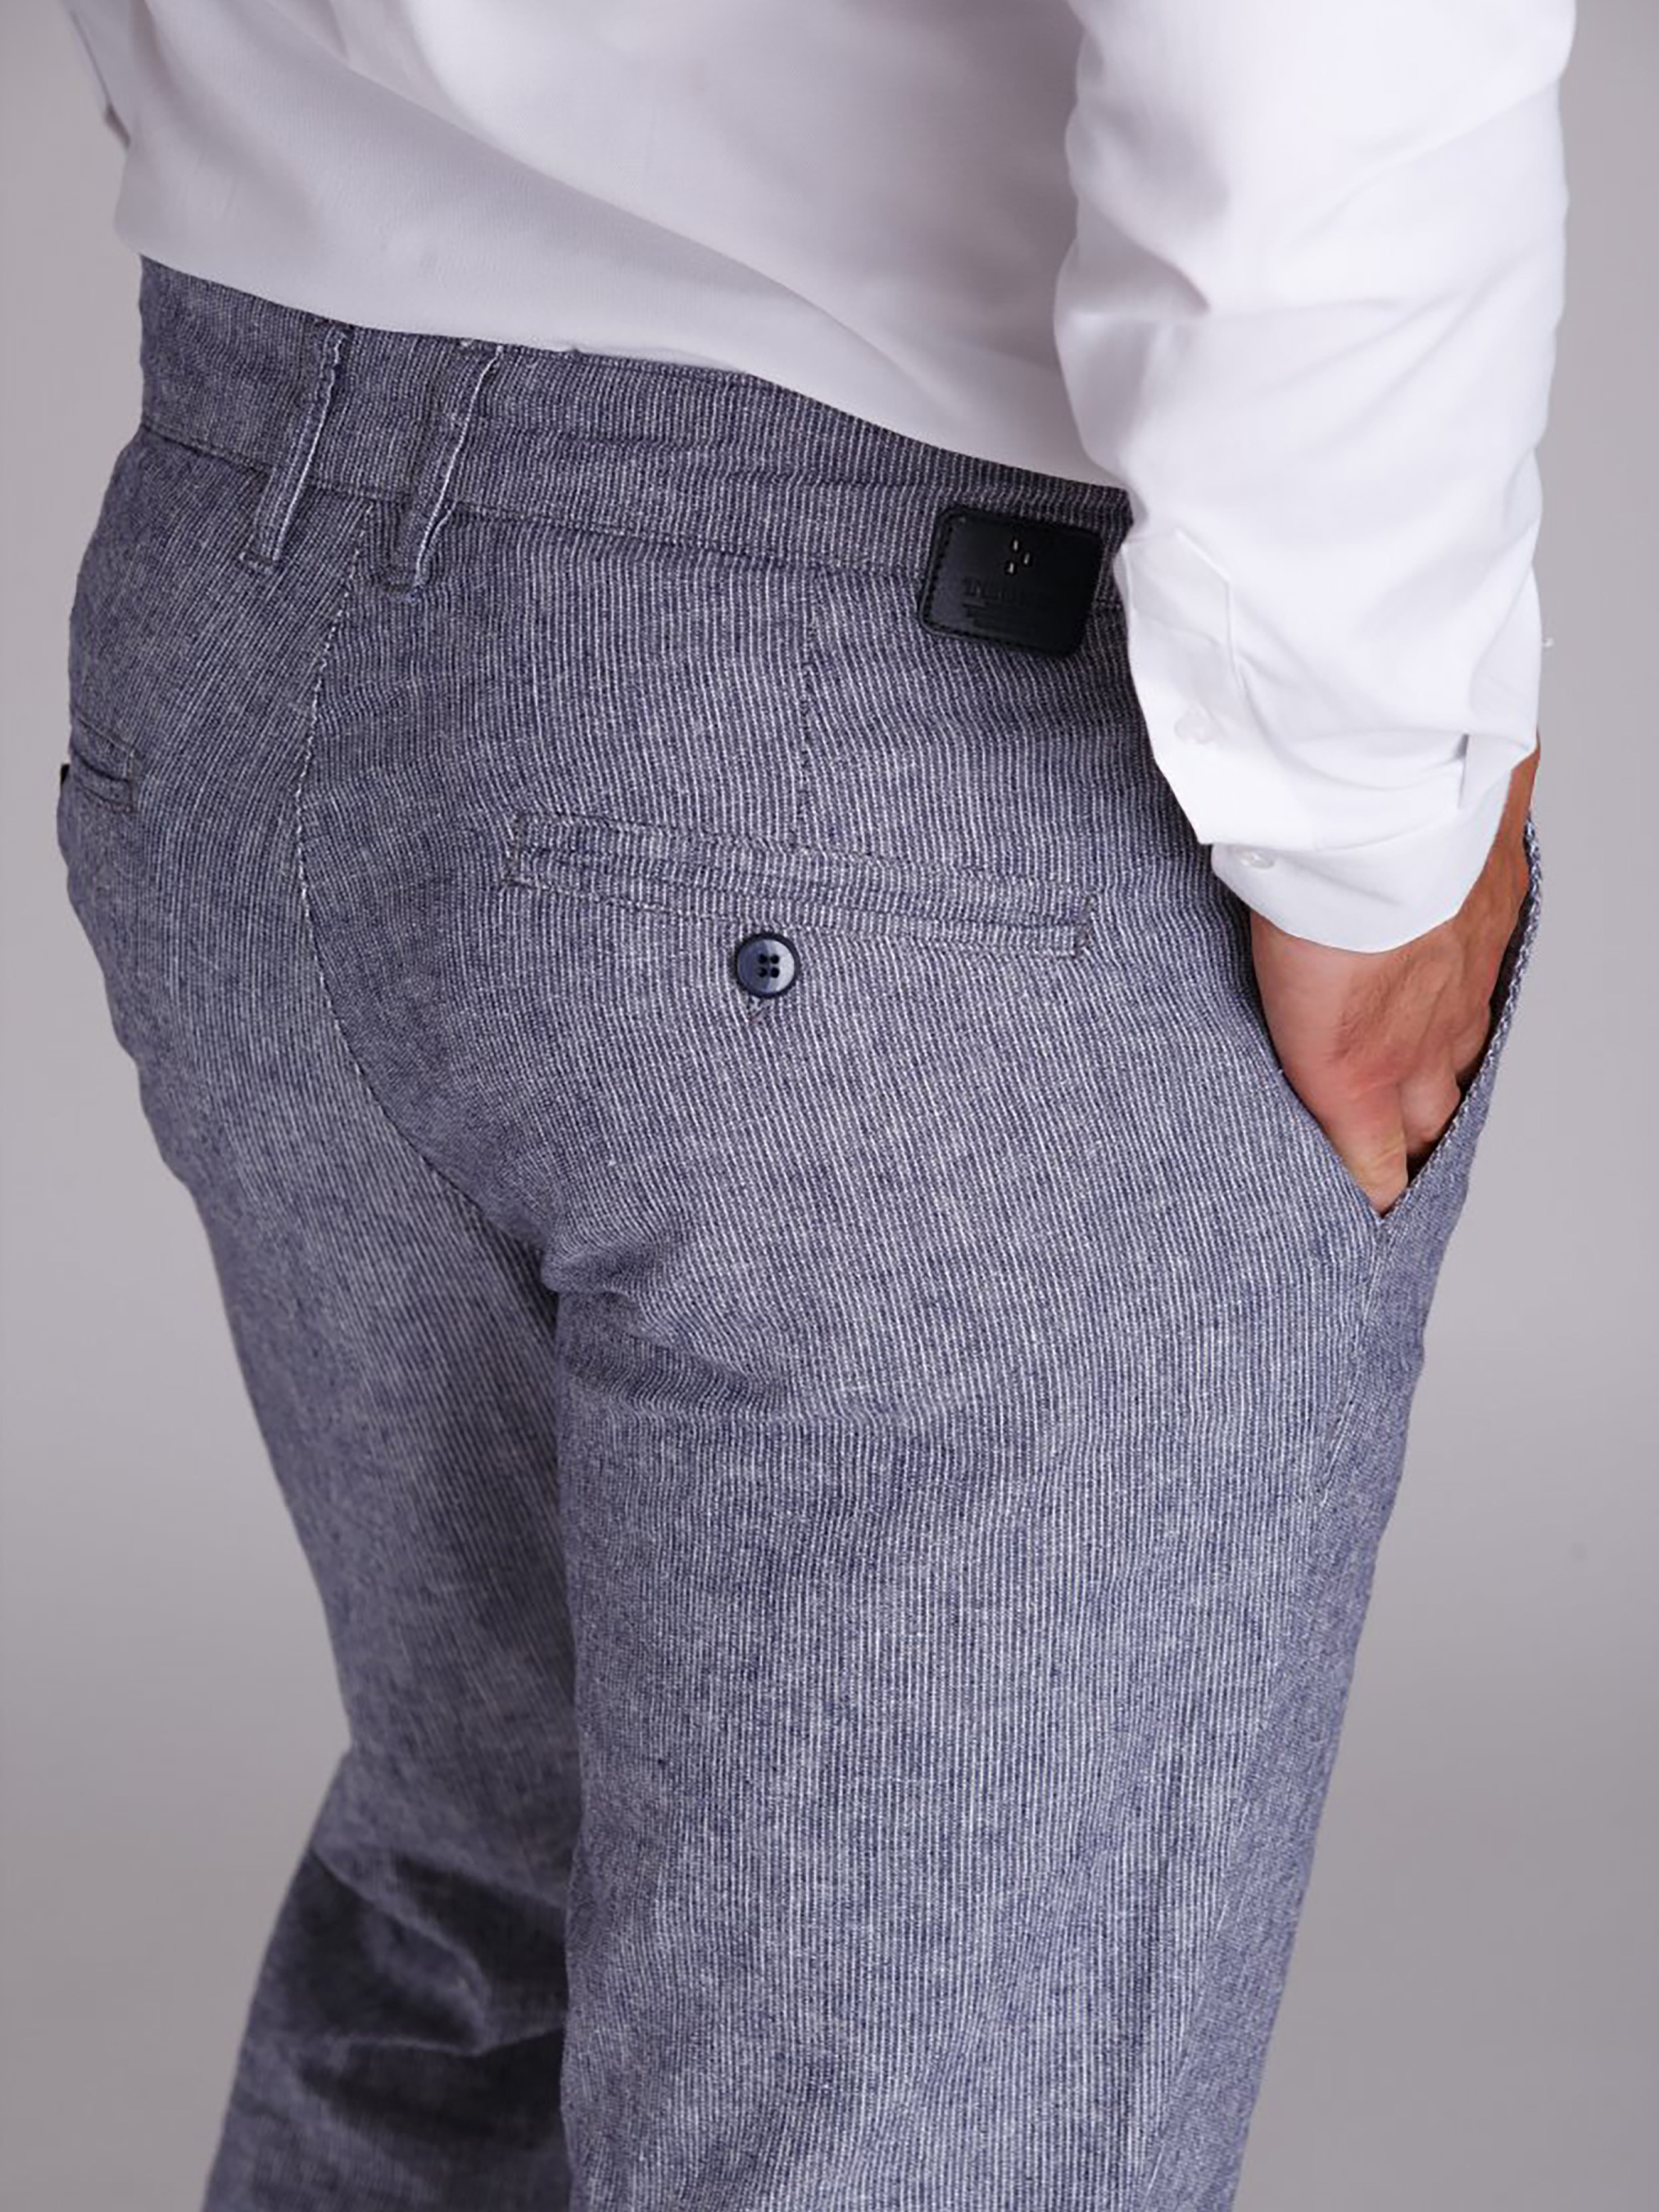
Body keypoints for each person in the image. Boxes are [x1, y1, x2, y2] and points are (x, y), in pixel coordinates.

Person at [53, 3, 1571, 2206]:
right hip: (899, 695)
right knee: (899, 2124)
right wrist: (1367, 802)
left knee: (494, 1919)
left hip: (247, 568)